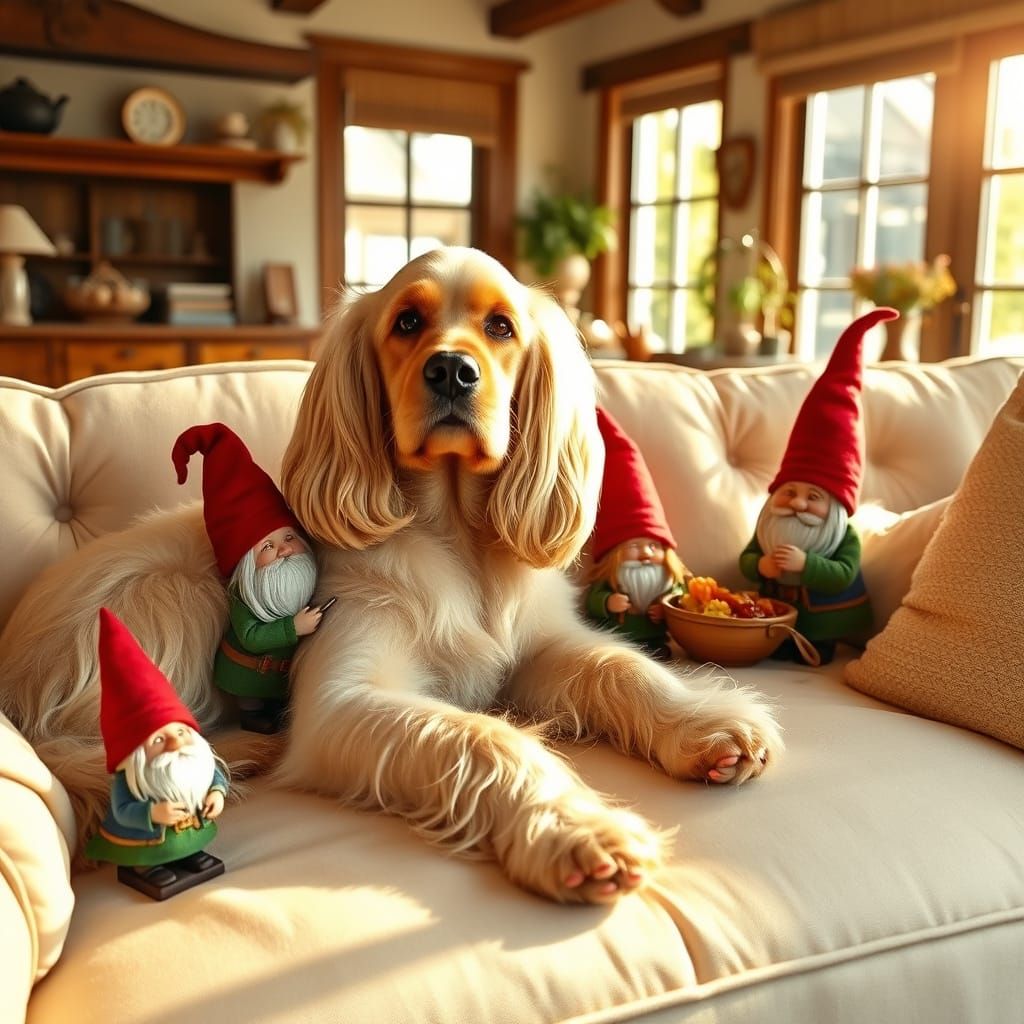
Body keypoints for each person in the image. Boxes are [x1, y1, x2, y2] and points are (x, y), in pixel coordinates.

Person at [738, 307, 899, 664]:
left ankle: (815, 644)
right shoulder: (769, 529)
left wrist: (806, 563)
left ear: (836, 509)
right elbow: (748, 557)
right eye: (789, 492)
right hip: (775, 617)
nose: (796, 503)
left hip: (824, 622)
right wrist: (759, 566)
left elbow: (842, 574)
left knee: (817, 647)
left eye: (813, 497)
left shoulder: (844, 537)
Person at [172, 422, 327, 733]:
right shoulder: (246, 599)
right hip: (245, 675)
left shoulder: (305, 580)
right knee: (255, 708)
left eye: (288, 537)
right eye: (267, 547)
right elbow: (251, 637)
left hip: (282, 678)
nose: (283, 550)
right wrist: (293, 627)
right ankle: (253, 714)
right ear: (247, 566)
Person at [85, 608, 230, 901]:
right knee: (147, 856)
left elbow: (213, 775)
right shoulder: (133, 779)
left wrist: (216, 793)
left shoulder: (195, 761)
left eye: (180, 733)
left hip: (189, 828)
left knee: (188, 847)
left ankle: (187, 854)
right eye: (160, 740)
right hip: (144, 841)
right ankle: (145, 869)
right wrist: (152, 812)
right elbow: (123, 809)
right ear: (137, 753)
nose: (176, 745)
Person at [585, 407, 691, 660]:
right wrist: (608, 603)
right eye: (634, 547)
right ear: (615, 554)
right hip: (618, 643)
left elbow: (681, 595)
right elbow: (593, 599)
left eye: (653, 547)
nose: (645, 553)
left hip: (656, 641)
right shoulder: (612, 580)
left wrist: (668, 606)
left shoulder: (667, 579)